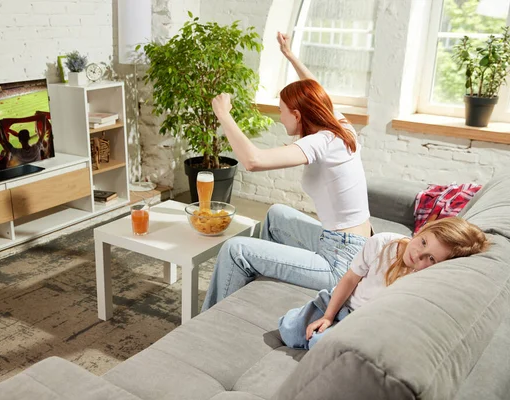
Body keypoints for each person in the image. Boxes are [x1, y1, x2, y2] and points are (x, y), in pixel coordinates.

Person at [201, 32, 371, 311]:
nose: (279, 117)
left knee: (235, 249)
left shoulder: (321, 142)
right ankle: (254, 293)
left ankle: (208, 324)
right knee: (277, 215)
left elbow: (253, 161)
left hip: (340, 262)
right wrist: (290, 55)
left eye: (281, 111)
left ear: (298, 114)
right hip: (347, 242)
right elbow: (318, 91)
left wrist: (223, 114)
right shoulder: (340, 127)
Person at [278, 217, 489, 350]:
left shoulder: (424, 280)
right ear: (422, 230)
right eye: (423, 242)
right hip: (342, 302)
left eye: (431, 259)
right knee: (291, 331)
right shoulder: (382, 242)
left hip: (363, 323)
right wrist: (328, 316)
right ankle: (315, 320)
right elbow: (351, 278)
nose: (418, 255)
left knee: (318, 345)